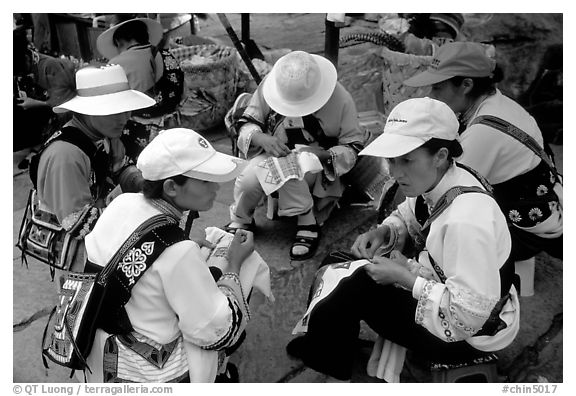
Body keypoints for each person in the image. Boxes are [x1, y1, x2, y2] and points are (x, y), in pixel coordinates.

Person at [286, 97, 519, 381]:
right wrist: (385, 232)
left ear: (441, 155)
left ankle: (332, 358)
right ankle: (328, 341)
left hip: (467, 337)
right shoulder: (442, 178)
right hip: (444, 289)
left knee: (355, 287)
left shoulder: (466, 220)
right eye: (392, 161)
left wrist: (407, 278)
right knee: (337, 262)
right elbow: (410, 214)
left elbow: (468, 316)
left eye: (406, 160)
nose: (396, 173)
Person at [82, 128, 252, 382]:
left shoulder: (121, 203)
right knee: (236, 296)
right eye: (205, 180)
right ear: (171, 187)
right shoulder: (177, 251)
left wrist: (181, 250)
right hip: (146, 368)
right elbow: (216, 331)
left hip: (97, 344)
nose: (216, 188)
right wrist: (234, 263)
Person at [403, 41, 562, 261]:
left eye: (438, 87)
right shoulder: (494, 101)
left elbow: (443, 191)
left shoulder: (484, 132)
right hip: (542, 200)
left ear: (466, 84)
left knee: (441, 229)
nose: (431, 94)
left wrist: (399, 227)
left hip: (527, 230)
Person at [226, 50, 367, 260]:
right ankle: (242, 217)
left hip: (315, 165)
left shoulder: (341, 99)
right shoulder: (271, 85)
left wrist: (322, 155)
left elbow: (353, 146)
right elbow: (247, 123)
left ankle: (306, 220)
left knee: (289, 170)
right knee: (248, 179)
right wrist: (261, 138)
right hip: (273, 154)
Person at [35, 64, 155, 273]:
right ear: (88, 111)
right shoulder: (66, 156)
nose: (125, 118)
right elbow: (79, 224)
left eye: (126, 109)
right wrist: (139, 213)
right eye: (115, 112)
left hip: (100, 229)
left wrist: (144, 183)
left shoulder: (105, 135)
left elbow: (120, 166)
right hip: (78, 253)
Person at [97, 17, 184, 161]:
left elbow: (111, 107)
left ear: (120, 42)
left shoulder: (116, 64)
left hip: (139, 135)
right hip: (173, 128)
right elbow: (183, 92)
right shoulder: (168, 55)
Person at [13, 31, 77, 163]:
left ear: (26, 57)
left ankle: (42, 146)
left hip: (60, 111)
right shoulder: (24, 63)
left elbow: (65, 101)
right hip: (40, 105)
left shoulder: (49, 66)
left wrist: (35, 103)